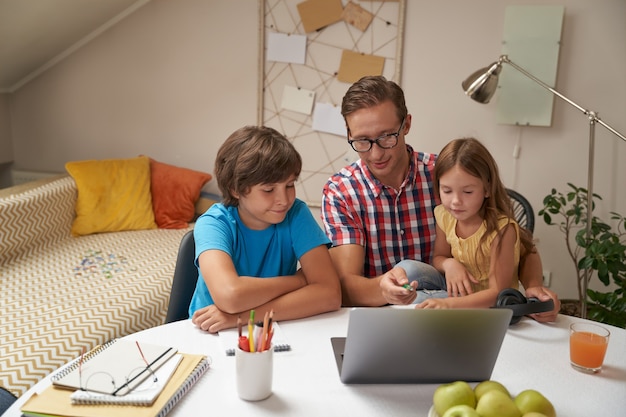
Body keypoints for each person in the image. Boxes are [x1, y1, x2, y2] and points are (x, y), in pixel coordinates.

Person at [321, 75, 560, 321]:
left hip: (458, 309)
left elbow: (519, 243)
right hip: (382, 316)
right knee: (409, 270)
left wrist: (533, 286)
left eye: (386, 137)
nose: (376, 152)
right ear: (349, 133)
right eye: (362, 141)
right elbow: (344, 287)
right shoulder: (341, 192)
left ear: (406, 125)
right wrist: (383, 289)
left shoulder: (448, 177)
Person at [190, 126, 341, 333]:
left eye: (289, 185)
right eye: (269, 190)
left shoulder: (296, 213)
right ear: (236, 189)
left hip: (269, 326)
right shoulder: (214, 223)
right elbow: (230, 296)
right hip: (212, 331)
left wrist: (239, 317)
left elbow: (330, 295)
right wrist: (298, 280)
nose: (284, 199)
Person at [416, 137, 536, 308]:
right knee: (409, 270)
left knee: (421, 302)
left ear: (486, 189)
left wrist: (450, 305)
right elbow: (438, 257)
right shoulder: (444, 214)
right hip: (455, 295)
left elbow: (497, 293)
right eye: (447, 190)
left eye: (468, 191)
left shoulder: (502, 230)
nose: (456, 201)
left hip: (490, 307)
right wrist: (450, 264)